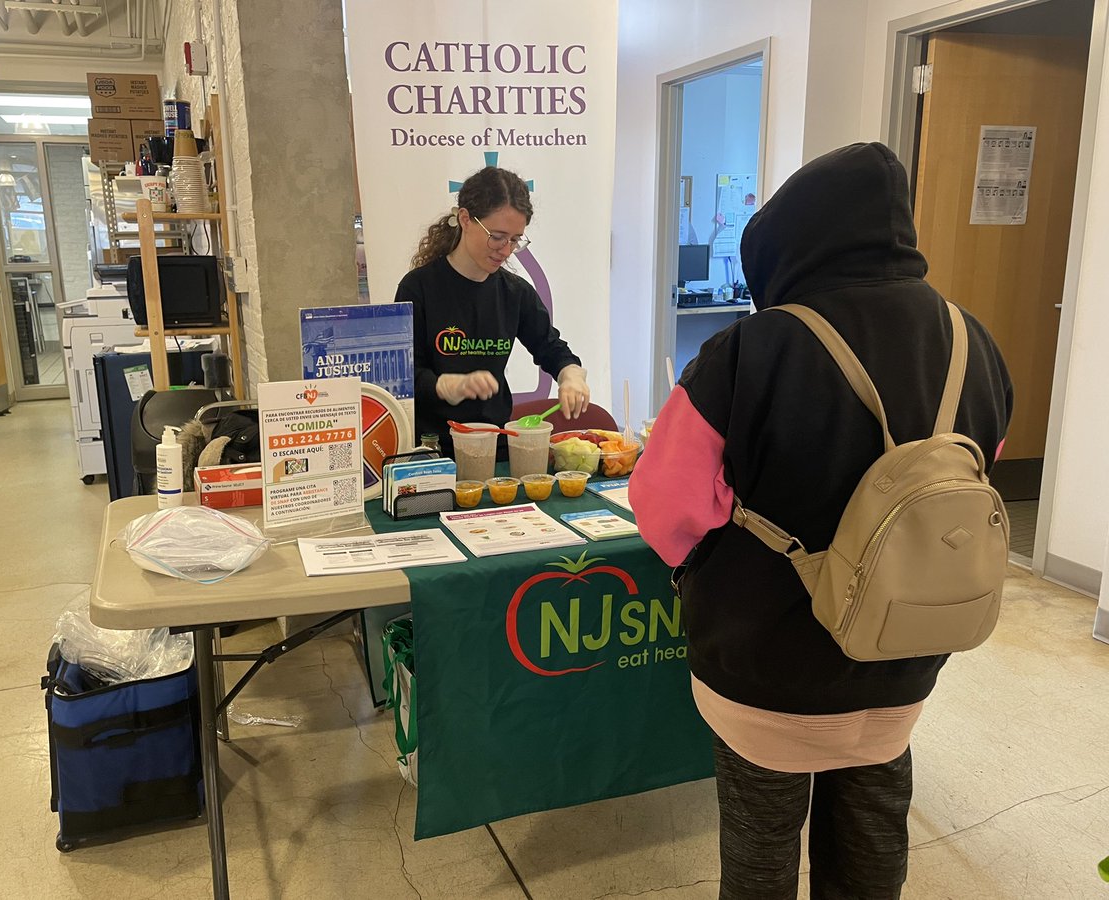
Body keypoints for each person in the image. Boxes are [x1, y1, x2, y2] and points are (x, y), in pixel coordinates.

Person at [630, 143, 1013, 899]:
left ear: (786, 244)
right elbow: (971, 483)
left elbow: (663, 506)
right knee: (874, 829)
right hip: (905, 657)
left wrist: (698, 560)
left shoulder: (751, 350)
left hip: (765, 669)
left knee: (762, 848)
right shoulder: (978, 345)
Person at [395, 166, 589, 450]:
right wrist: (444, 386)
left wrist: (570, 374)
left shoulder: (515, 293)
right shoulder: (418, 288)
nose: (506, 249)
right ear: (465, 219)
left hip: (494, 445)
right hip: (432, 448)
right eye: (497, 236)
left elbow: (551, 348)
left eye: (515, 239)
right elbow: (402, 375)